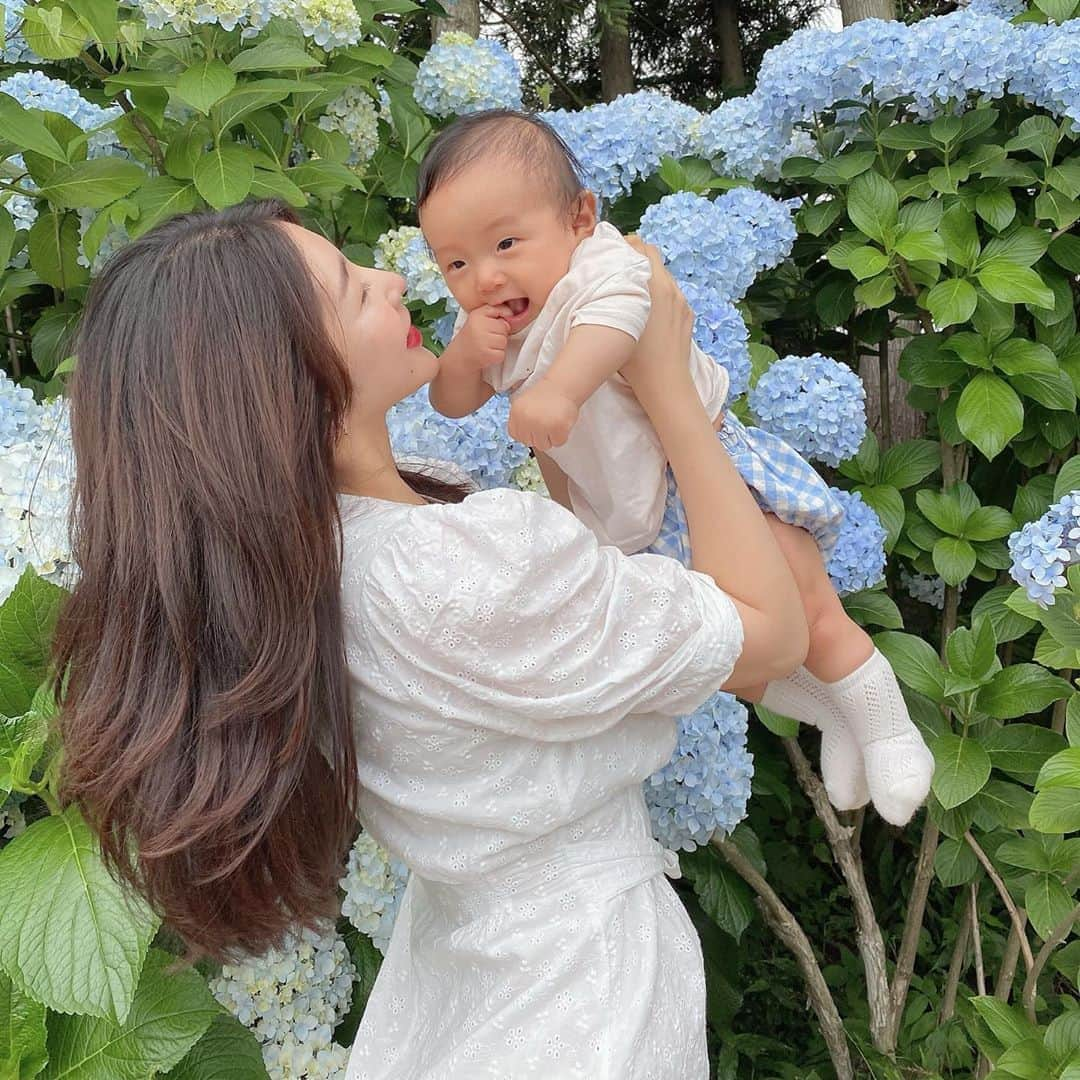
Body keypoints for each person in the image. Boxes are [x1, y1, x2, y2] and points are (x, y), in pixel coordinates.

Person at [52, 198, 806, 1078]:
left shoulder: (303, 562)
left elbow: (585, 603)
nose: (386, 279)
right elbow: (770, 634)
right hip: (579, 997)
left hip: (459, 975)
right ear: (279, 376)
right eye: (348, 289)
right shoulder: (451, 567)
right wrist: (674, 392)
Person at [417, 109, 935, 826]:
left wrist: (561, 390)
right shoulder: (500, 322)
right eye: (456, 263)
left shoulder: (602, 268)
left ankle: (887, 727)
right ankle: (835, 718)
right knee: (733, 662)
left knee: (810, 610)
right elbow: (450, 399)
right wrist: (466, 357)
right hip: (637, 521)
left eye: (505, 242)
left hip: (713, 476)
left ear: (580, 217)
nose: (486, 275)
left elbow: (623, 322)